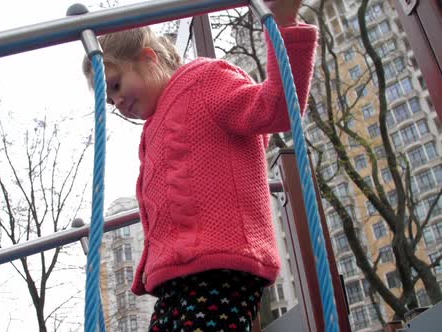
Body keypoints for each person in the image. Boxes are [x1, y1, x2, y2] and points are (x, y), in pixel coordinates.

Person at [82, 0, 317, 330]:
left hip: (223, 266)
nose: (117, 103)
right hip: (174, 281)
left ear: (148, 58)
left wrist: (283, 23)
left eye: (116, 85)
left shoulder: (206, 81)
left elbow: (275, 108)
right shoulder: (153, 128)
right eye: (109, 100)